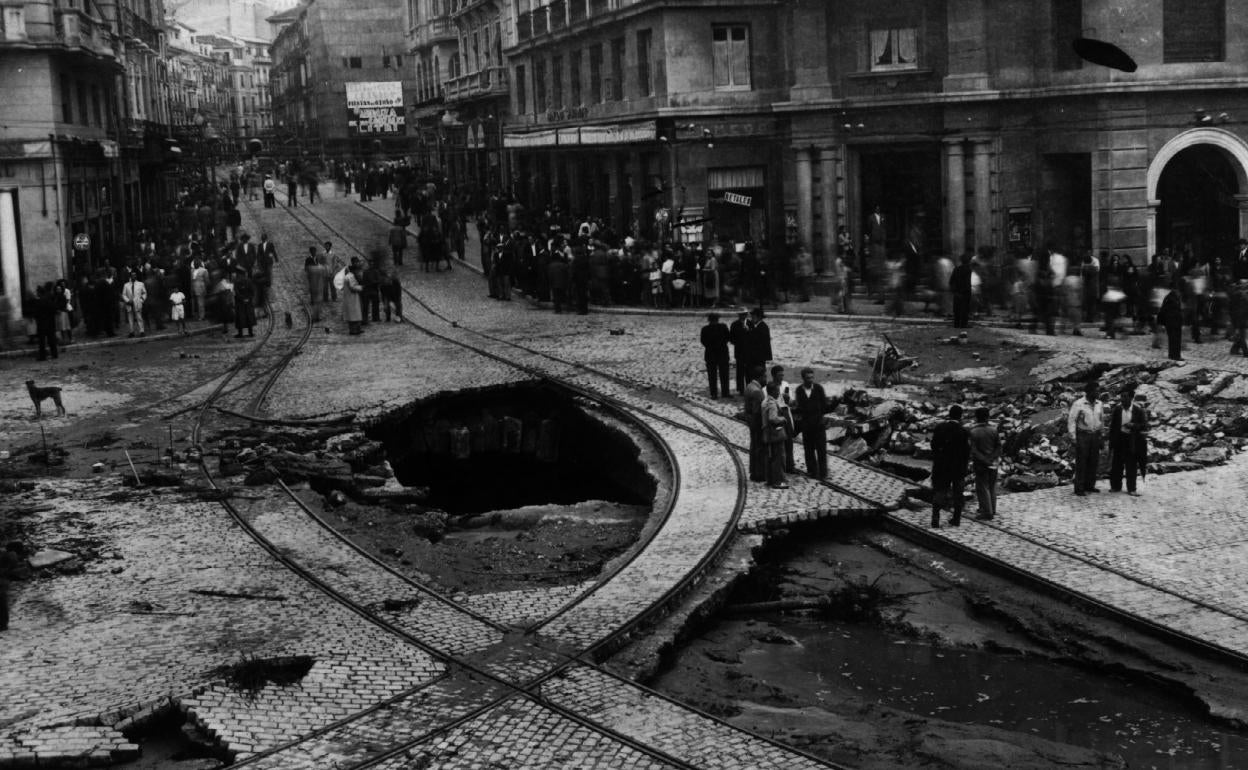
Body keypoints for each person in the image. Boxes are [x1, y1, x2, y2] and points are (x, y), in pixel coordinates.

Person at [930, 405, 970, 527]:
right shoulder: (963, 431)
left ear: (949, 414)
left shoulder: (940, 427)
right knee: (958, 493)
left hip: (942, 466)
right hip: (958, 468)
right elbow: (967, 452)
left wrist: (938, 457)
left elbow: (933, 446)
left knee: (940, 490)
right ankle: (956, 518)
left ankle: (935, 517)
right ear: (961, 416)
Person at [793, 367, 836, 479]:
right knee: (809, 450)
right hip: (807, 425)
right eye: (808, 378)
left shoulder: (818, 389)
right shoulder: (799, 390)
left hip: (818, 424)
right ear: (803, 378)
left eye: (812, 377)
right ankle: (812, 471)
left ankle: (823, 473)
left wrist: (834, 404)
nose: (810, 380)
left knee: (821, 450)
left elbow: (824, 406)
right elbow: (800, 407)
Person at [1067, 380, 1105, 496]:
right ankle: (1079, 487)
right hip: (1083, 435)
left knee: (1093, 461)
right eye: (1096, 391)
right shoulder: (1078, 404)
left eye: (1098, 391)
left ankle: (1090, 485)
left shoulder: (1099, 404)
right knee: (1082, 461)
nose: (1098, 393)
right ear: (1089, 392)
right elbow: (1072, 420)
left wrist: (1102, 435)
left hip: (1095, 434)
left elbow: (1101, 420)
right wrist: (1073, 437)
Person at [1109, 389, 1149, 497]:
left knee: (1131, 465)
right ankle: (1116, 486)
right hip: (1119, 439)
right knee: (1116, 464)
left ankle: (1132, 488)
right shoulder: (1117, 409)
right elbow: (1112, 426)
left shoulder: (1138, 410)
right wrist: (1111, 441)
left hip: (1132, 440)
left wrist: (1133, 425)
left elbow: (1144, 425)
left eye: (1125, 397)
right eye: (1121, 397)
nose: (1122, 399)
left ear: (1131, 398)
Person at [968, 406, 1000, 520]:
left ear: (977, 417)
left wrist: (984, 460)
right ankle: (992, 508)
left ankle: (987, 512)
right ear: (988, 417)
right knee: (992, 486)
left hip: (981, 463)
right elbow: (998, 447)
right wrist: (991, 458)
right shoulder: (994, 430)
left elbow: (973, 450)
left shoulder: (973, 431)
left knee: (982, 487)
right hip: (993, 462)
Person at [761, 382, 792, 489]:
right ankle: (779, 480)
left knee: (771, 457)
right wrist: (782, 419)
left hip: (768, 433)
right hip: (775, 433)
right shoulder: (772, 403)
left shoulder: (765, 401)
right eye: (777, 391)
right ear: (773, 391)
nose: (779, 393)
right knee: (779, 457)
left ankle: (771, 479)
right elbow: (773, 418)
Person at [769, 365, 796, 473]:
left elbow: (791, 403)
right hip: (776, 414)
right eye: (779, 375)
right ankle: (780, 466)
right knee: (779, 442)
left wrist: (789, 400)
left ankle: (790, 465)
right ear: (774, 376)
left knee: (789, 441)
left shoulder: (785, 385)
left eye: (782, 375)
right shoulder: (769, 387)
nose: (781, 377)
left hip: (785, 414)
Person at [743, 367, 767, 482]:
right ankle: (759, 473)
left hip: (751, 421)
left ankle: (754, 471)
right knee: (759, 448)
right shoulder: (757, 391)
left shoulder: (749, 386)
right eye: (765, 376)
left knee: (754, 447)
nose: (766, 379)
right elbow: (758, 410)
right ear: (760, 376)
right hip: (757, 422)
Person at [700, 312, 731, 399]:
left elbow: (703, 341)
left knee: (712, 376)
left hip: (711, 354)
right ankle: (725, 392)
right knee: (723, 374)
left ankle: (714, 394)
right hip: (721, 353)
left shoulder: (705, 329)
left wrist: (711, 346)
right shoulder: (723, 327)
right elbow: (728, 338)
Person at [0, 541, 28, 632]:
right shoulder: (12, 556)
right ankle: (2, 625)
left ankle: (3, 625)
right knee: (2, 602)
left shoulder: (5, 553)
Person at [1158, 286, 1184, 361]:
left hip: (1173, 322)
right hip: (1173, 322)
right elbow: (1168, 311)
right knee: (1174, 340)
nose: (1180, 294)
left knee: (1174, 340)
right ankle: (1175, 355)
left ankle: (1174, 355)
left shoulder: (1171, 298)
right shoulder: (1171, 299)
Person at [745, 307, 773, 377]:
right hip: (755, 357)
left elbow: (757, 341)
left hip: (759, 358)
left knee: (759, 376)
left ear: (759, 317)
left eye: (753, 316)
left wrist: (749, 331)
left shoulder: (763, 327)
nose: (751, 318)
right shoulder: (757, 326)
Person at [33, 284, 58, 361]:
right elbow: (54, 310)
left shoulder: (39, 301)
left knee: (42, 341)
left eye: (37, 292)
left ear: (39, 293)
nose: (36, 294)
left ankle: (42, 356)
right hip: (50, 322)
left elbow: (36, 313)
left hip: (42, 323)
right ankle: (54, 354)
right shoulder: (48, 300)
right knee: (51, 339)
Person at [729, 310, 751, 395]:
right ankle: (741, 389)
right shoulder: (734, 324)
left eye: (745, 314)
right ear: (739, 315)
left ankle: (749, 388)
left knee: (749, 372)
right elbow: (731, 338)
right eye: (741, 314)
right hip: (739, 350)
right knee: (740, 371)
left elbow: (754, 336)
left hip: (749, 351)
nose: (743, 316)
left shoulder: (750, 323)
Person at [950, 252, 973, 328]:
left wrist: (954, 291)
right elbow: (969, 282)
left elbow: (951, 281)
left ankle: (956, 324)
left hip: (957, 293)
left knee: (957, 310)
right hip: (966, 293)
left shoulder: (956, 269)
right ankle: (963, 324)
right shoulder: (969, 270)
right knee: (965, 310)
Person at [121, 270, 146, 337]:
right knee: (130, 318)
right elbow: (123, 294)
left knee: (139, 317)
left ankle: (141, 331)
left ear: (136, 276)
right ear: (130, 276)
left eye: (135, 275)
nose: (133, 276)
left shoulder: (140, 284)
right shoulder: (126, 285)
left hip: (137, 303)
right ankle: (131, 332)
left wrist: (141, 300)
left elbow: (144, 293)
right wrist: (127, 301)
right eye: (132, 275)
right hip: (129, 303)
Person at [342, 257, 364, 335]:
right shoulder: (350, 276)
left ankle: (356, 329)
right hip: (352, 298)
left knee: (353, 314)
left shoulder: (348, 276)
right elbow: (352, 287)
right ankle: (354, 330)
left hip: (350, 298)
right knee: (354, 314)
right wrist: (361, 288)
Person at [233, 270, 256, 338]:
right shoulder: (249, 281)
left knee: (240, 318)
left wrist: (242, 299)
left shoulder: (236, 282)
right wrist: (248, 298)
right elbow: (252, 291)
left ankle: (240, 333)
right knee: (249, 316)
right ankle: (250, 332)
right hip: (248, 302)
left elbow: (236, 293)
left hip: (240, 303)